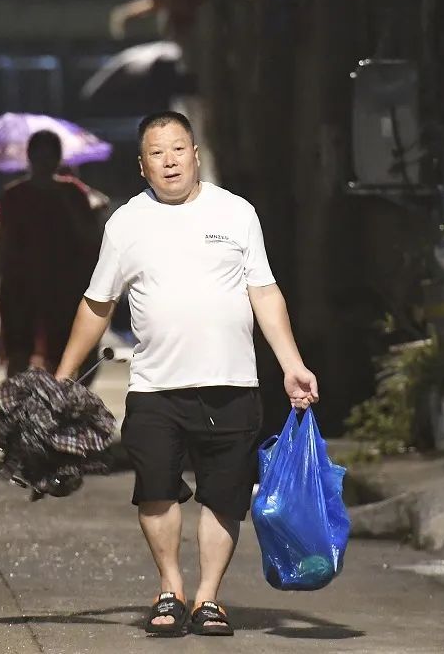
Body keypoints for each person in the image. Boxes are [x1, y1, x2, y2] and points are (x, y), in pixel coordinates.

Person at [54, 111, 318, 637]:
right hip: (155, 386)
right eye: (157, 152)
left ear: (196, 154)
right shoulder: (126, 223)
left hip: (232, 382)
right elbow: (97, 303)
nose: (170, 160)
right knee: (155, 489)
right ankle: (170, 589)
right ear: (142, 165)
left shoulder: (237, 212)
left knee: (225, 496)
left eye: (179, 149)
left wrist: (292, 365)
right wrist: (63, 377)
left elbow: (263, 292)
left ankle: (208, 599)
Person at [0, 131, 99, 376]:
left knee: (50, 358)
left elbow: (90, 239)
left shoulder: (69, 193)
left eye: (48, 157)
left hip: (57, 290)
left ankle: (37, 409)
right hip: (28, 289)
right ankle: (26, 409)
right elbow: (2, 248)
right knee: (25, 355)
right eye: (41, 157)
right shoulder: (22, 196)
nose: (44, 163)